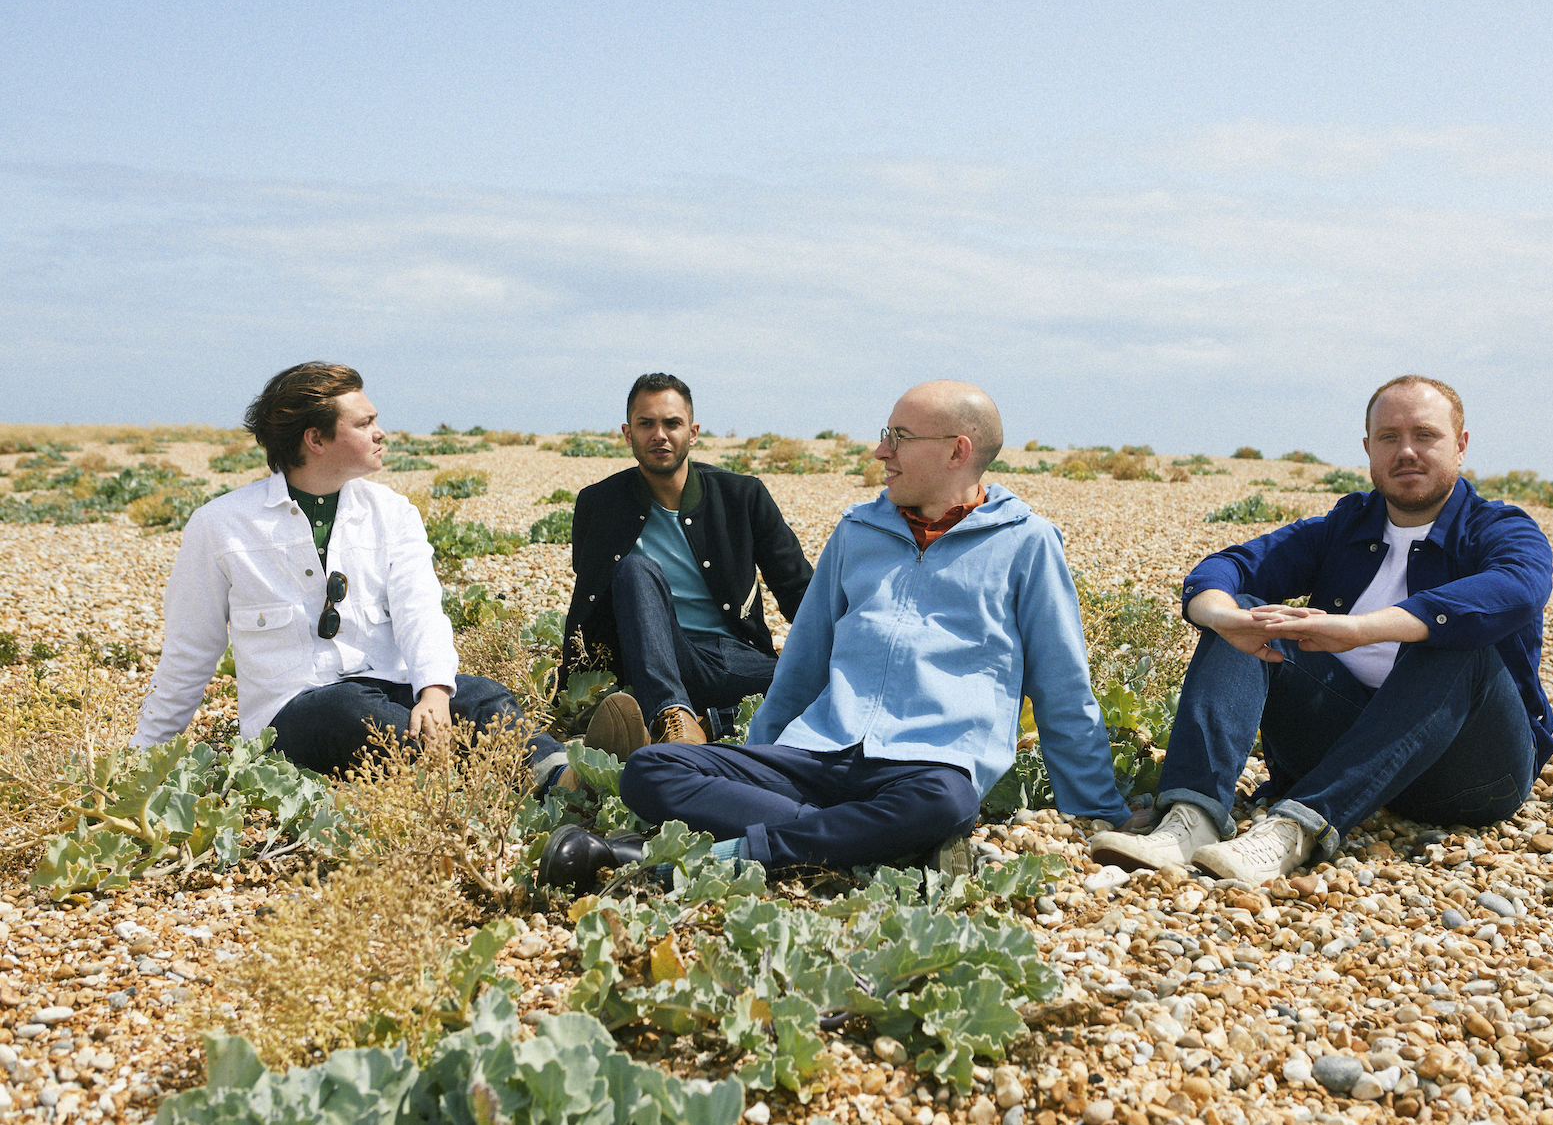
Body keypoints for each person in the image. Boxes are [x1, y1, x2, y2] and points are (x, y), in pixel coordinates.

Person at [537, 380, 1132, 890]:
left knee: (948, 804)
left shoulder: (1025, 544)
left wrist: (1097, 810)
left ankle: (737, 855)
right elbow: (801, 665)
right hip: (816, 754)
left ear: (958, 451)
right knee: (653, 770)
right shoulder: (857, 532)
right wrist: (756, 755)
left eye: (899, 437)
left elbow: (1062, 687)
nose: (880, 451)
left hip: (927, 766)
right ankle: (858, 836)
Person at [1091, 375, 1553, 887]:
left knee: (1458, 644)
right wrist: (1227, 619)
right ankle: (1192, 820)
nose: (1406, 451)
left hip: (1469, 774)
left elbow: (1516, 588)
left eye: (1425, 435)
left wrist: (1358, 630)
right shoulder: (1346, 526)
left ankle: (1293, 829)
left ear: (1460, 445)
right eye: (1388, 437)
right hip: (1338, 747)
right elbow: (1227, 569)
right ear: (1368, 450)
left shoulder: (1501, 530)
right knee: (1254, 613)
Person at [130, 363, 570, 789]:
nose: (381, 434)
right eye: (364, 424)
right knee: (346, 709)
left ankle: (561, 775)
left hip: (386, 687)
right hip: (290, 719)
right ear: (315, 439)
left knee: (479, 697)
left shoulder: (394, 513)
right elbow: (191, 650)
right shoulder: (220, 525)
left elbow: (420, 611)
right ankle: (490, 774)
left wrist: (434, 693)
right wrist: (140, 762)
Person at [558, 373, 814, 754]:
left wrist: (846, 649)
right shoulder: (599, 504)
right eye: (646, 424)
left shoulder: (742, 496)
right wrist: (574, 682)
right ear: (628, 434)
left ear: (692, 433)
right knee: (633, 569)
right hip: (650, 659)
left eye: (672, 423)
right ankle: (670, 714)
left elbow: (799, 590)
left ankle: (706, 723)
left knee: (828, 682)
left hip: (733, 658)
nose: (659, 434)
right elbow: (590, 596)